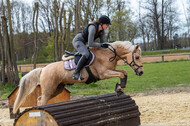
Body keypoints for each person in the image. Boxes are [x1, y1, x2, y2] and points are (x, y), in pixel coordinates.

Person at [72, 15, 111, 80]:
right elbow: (91, 44)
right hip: (78, 41)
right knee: (86, 54)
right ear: (101, 24)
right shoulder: (92, 27)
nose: (108, 26)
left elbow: (103, 43)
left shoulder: (101, 31)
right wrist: (101, 45)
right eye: (107, 24)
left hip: (84, 43)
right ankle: (76, 73)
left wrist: (110, 45)